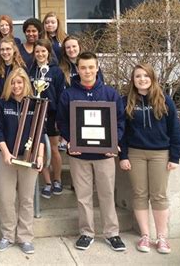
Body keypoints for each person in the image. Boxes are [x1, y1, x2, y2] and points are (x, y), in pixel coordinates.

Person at [56, 51, 126, 252]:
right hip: (79, 155)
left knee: (106, 194)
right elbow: (62, 121)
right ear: (77, 69)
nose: (87, 71)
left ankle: (112, 234)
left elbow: (120, 121)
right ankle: (87, 233)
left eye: (91, 67)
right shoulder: (68, 94)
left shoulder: (110, 93)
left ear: (97, 68)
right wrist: (70, 141)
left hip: (104, 155)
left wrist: (115, 142)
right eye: (83, 67)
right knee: (83, 196)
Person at [119, 63, 180, 254]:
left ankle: (162, 237)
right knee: (139, 194)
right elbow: (122, 132)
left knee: (159, 195)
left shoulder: (164, 100)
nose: (142, 79)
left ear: (152, 78)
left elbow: (175, 129)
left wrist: (175, 156)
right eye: (138, 76)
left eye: (146, 76)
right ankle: (145, 236)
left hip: (160, 154)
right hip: (135, 153)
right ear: (133, 79)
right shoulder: (126, 101)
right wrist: (123, 156)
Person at [0, 67, 44, 254]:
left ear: (26, 84)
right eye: (13, 82)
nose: (16, 86)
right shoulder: (2, 103)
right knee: (6, 198)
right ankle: (7, 235)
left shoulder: (35, 104)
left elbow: (41, 132)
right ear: (9, 84)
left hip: (29, 158)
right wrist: (5, 152)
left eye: (20, 82)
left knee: (26, 199)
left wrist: (39, 156)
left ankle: (25, 237)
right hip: (7, 158)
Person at [27, 39, 65, 199]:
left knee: (54, 149)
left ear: (49, 52)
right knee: (38, 149)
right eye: (37, 51)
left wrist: (59, 117)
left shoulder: (56, 71)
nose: (40, 54)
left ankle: (58, 180)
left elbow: (61, 96)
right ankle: (47, 182)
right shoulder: (30, 70)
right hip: (35, 115)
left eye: (43, 51)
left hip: (51, 115)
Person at [0, 37, 26, 102]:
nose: (5, 52)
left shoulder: (21, 68)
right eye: (2, 49)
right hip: (0, 106)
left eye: (8, 49)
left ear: (14, 50)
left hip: (16, 105)